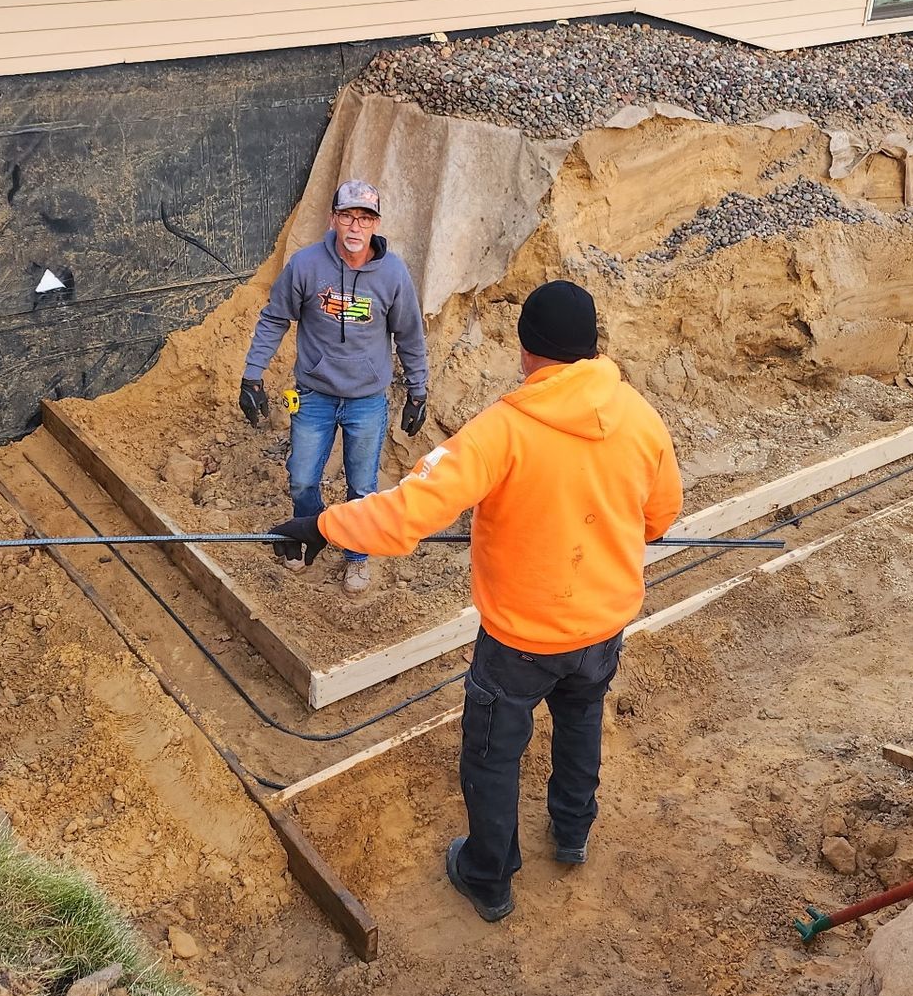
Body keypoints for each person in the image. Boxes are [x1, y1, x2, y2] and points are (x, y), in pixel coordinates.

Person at [269, 280, 683, 921]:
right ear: (591, 346)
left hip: (521, 640)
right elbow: (659, 517)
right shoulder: (638, 416)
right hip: (603, 627)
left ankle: (488, 875)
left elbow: (407, 515)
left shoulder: (502, 431)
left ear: (527, 351)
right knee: (580, 724)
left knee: (491, 756)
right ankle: (572, 833)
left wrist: (323, 526)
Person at [240, 179, 429, 595]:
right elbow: (275, 318)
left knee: (362, 487)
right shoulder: (307, 266)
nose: (355, 227)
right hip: (314, 396)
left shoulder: (393, 274)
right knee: (302, 478)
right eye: (347, 216)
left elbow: (410, 335)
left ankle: (357, 557)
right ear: (333, 219)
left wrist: (418, 391)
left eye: (365, 218)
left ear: (376, 224)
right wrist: (252, 374)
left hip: (366, 400)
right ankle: (312, 534)